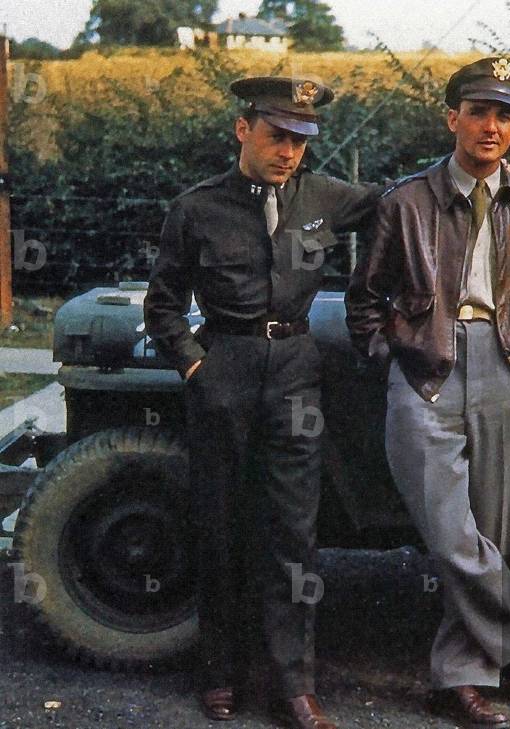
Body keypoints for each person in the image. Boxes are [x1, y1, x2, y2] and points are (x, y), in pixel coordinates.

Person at [144, 75, 381, 729]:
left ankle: (293, 685)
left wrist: (373, 298)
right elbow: (162, 304)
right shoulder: (196, 208)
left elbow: (398, 211)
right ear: (243, 130)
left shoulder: (328, 196)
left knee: (294, 535)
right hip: (226, 367)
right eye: (277, 136)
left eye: (302, 141)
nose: (289, 153)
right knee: (219, 525)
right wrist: (196, 364)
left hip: (297, 373)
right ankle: (219, 673)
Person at [345, 57, 510, 729]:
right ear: (453, 118)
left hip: (508, 366)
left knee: (495, 532)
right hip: (429, 369)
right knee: (450, 532)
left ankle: (462, 677)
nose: (491, 126)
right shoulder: (407, 200)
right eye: (478, 111)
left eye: (505, 115)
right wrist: (393, 353)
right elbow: (365, 298)